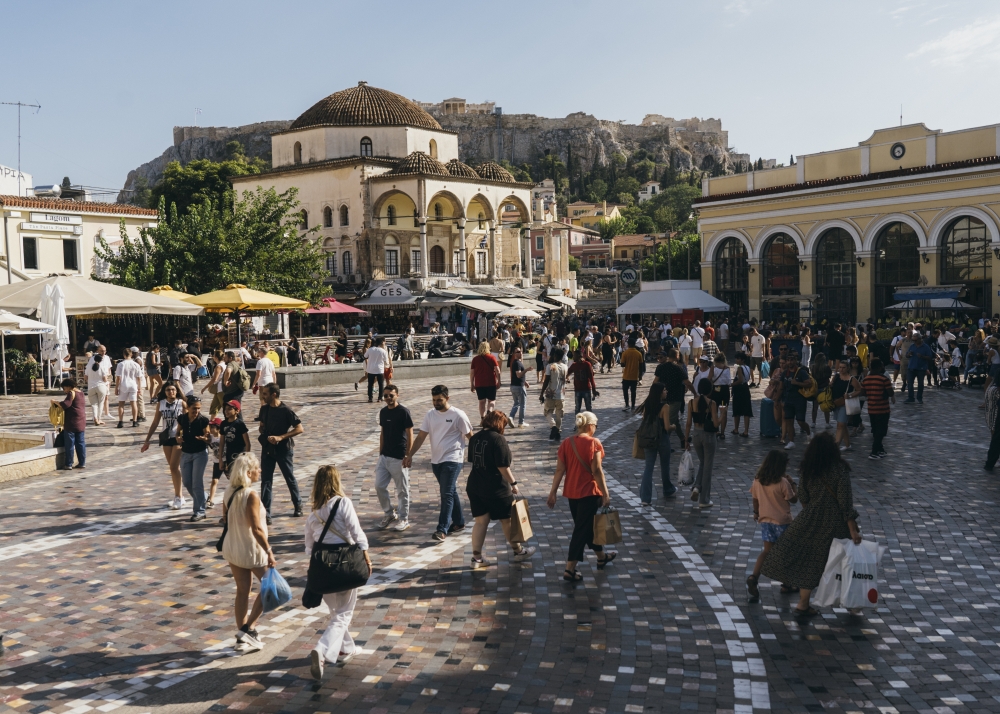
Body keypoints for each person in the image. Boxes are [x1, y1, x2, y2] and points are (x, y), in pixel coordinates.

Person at [759, 432, 863, 616]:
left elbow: (804, 499)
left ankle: (802, 604)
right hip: (835, 523)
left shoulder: (808, 469)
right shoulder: (840, 469)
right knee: (846, 561)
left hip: (810, 520)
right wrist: (853, 530)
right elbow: (845, 503)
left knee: (811, 563)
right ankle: (853, 602)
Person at [305, 465, 371, 680]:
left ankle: (346, 649)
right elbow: (356, 531)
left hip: (322, 568)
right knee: (344, 614)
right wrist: (366, 556)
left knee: (336, 612)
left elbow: (308, 546)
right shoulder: (344, 503)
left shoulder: (313, 513)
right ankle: (322, 649)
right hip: (344, 564)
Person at [546, 411, 615, 581]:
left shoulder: (566, 443)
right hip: (589, 493)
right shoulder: (594, 443)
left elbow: (560, 470)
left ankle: (601, 557)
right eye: (596, 426)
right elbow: (597, 471)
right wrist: (606, 493)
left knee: (585, 527)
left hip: (572, 493)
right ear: (590, 425)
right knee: (581, 530)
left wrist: (553, 492)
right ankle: (570, 568)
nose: (596, 429)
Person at [466, 410, 537, 569]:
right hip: (496, 488)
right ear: (499, 424)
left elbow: (473, 460)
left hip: (475, 485)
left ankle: (476, 559)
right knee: (507, 520)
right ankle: (518, 551)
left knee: (480, 522)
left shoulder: (475, 438)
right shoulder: (498, 439)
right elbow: (503, 466)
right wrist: (513, 483)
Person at [403, 385, 473, 542]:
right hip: (436, 461)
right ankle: (460, 522)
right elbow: (421, 437)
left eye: (439, 400)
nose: (436, 403)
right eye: (434, 400)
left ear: (447, 398)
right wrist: (410, 455)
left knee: (446, 493)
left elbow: (471, 438)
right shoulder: (430, 415)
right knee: (450, 491)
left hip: (453, 459)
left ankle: (442, 529)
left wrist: (479, 459)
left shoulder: (458, 415)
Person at [221, 452, 274, 652]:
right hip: (251, 549)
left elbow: (225, 518)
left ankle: (242, 637)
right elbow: (256, 528)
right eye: (257, 468)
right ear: (249, 472)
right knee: (269, 586)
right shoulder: (251, 495)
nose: (260, 471)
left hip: (233, 547)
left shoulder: (229, 491)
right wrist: (269, 550)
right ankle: (249, 628)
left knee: (242, 591)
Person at [745, 450, 798, 602]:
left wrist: (756, 512)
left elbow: (755, 499)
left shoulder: (758, 480)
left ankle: (754, 577)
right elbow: (794, 499)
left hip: (766, 521)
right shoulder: (783, 482)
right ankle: (786, 584)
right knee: (786, 553)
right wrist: (793, 483)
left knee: (767, 552)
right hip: (783, 522)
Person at [257, 384, 304, 523]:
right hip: (268, 449)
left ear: (274, 395)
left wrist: (280, 437)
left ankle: (298, 505)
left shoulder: (286, 410)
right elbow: (262, 426)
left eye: (265, 394)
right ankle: (266, 513)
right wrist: (263, 432)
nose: (263, 396)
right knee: (266, 481)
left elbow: (300, 428)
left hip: (284, 449)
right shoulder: (264, 409)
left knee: (289, 477)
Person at [141, 381, 186, 508]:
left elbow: (188, 420)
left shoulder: (181, 403)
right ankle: (179, 496)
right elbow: (155, 422)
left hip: (178, 438)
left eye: (173, 389)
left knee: (174, 467)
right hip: (166, 438)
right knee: (172, 469)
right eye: (168, 390)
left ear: (176, 391)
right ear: (164, 392)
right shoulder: (160, 404)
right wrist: (147, 439)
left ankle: (179, 496)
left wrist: (184, 436)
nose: (171, 392)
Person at [375, 384, 412, 531]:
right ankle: (389, 513)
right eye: (385, 396)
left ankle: (404, 518)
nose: (388, 398)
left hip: (399, 457)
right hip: (385, 456)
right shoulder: (383, 412)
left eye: (391, 395)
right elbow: (383, 432)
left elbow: (410, 434)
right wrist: (380, 452)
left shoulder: (403, 412)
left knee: (402, 490)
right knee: (379, 486)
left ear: (397, 395)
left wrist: (408, 455)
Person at [637, 383, 678, 505]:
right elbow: (667, 426)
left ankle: (645, 498)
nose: (666, 392)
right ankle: (667, 489)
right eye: (664, 390)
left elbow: (645, 421)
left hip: (649, 439)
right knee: (665, 465)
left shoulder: (647, 405)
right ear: (660, 392)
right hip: (662, 438)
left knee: (648, 467)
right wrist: (674, 427)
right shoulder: (665, 407)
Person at [684, 379, 721, 509]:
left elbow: (688, 423)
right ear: (710, 389)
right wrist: (724, 414)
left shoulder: (691, 403)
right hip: (708, 436)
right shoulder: (712, 403)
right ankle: (704, 499)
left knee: (703, 463)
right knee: (708, 466)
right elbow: (716, 424)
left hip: (696, 435)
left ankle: (697, 487)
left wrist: (686, 439)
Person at [176, 394, 211, 521]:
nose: (196, 411)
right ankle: (204, 496)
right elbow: (178, 432)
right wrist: (178, 438)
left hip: (200, 454)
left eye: (198, 408)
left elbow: (209, 438)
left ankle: (200, 511)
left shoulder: (203, 420)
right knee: (187, 482)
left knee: (196, 483)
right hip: (186, 453)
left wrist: (205, 438)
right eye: (194, 408)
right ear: (188, 408)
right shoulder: (182, 418)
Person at [652, 348, 695, 449]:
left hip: (663, 396)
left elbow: (655, 382)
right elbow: (687, 382)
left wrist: (654, 394)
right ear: (677, 356)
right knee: (670, 422)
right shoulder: (678, 368)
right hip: (676, 397)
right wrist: (695, 393)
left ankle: (682, 439)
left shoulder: (660, 367)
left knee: (674, 420)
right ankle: (663, 444)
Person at [862, 358, 894, 459]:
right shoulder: (884, 379)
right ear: (880, 367)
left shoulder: (866, 379)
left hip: (871, 408)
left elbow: (863, 393)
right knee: (881, 431)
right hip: (882, 408)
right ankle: (874, 451)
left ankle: (880, 449)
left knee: (875, 429)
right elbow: (890, 393)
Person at [52, 378, 86, 470]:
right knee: (80, 443)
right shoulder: (81, 393)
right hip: (81, 421)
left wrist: (56, 402)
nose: (64, 390)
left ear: (68, 387)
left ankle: (69, 464)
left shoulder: (71, 393)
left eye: (64, 388)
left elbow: (66, 404)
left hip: (71, 422)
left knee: (70, 444)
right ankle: (82, 463)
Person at [780, 351, 812, 450]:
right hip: (788, 400)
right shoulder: (785, 373)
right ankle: (791, 441)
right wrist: (778, 399)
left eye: (792, 360)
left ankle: (809, 432)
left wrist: (797, 383)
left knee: (800, 421)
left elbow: (809, 383)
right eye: (788, 360)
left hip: (799, 400)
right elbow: (781, 387)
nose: (790, 362)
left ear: (795, 361)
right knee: (789, 420)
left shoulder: (801, 372)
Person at [830, 359, 860, 451]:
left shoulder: (852, 379)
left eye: (843, 368)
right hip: (836, 403)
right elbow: (831, 386)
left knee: (840, 425)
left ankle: (836, 446)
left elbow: (860, 390)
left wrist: (850, 395)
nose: (841, 369)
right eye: (840, 367)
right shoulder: (836, 377)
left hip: (845, 404)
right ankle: (847, 445)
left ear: (848, 368)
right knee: (842, 425)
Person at [539, 347, 568, 440]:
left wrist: (541, 393)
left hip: (551, 394)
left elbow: (546, 380)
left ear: (555, 356)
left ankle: (553, 426)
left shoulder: (550, 366)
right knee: (559, 414)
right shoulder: (565, 366)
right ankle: (558, 431)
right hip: (561, 394)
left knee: (548, 411)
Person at [470, 341, 501, 419]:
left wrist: (472, 384)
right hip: (491, 382)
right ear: (488, 348)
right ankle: (489, 411)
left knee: (481, 402)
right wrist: (499, 381)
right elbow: (497, 371)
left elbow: (472, 373)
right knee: (491, 400)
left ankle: (482, 418)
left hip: (479, 383)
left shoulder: (475, 359)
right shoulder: (492, 357)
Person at [220, 399, 251, 475]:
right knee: (232, 477)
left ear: (237, 411)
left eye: (230, 409)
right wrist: (220, 459)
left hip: (240, 454)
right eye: (225, 409)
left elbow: (247, 443)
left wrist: (246, 457)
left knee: (240, 476)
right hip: (229, 454)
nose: (226, 411)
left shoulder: (240, 424)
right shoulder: (223, 424)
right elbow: (222, 442)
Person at [115, 347, 143, 429]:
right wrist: (139, 388)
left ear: (124, 355)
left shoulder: (120, 364)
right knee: (134, 403)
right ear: (131, 354)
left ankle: (120, 421)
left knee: (121, 404)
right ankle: (135, 421)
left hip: (123, 384)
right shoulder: (136, 364)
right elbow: (139, 378)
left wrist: (116, 387)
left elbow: (118, 378)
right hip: (133, 385)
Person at [904, 333, 935, 404]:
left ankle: (919, 397)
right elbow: (907, 355)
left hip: (921, 368)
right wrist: (909, 354)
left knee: (920, 384)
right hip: (911, 367)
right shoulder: (912, 346)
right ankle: (910, 397)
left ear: (920, 339)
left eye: (915, 340)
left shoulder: (926, 347)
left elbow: (929, 357)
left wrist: (922, 356)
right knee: (910, 383)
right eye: (913, 340)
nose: (914, 341)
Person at [730, 352, 753, 437]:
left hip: (739, 389)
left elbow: (739, 380)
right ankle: (746, 430)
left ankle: (736, 429)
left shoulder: (739, 368)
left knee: (737, 409)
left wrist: (731, 384)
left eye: (738, 358)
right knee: (746, 410)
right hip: (746, 388)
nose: (736, 360)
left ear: (742, 360)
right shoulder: (747, 367)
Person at [567, 349, 598, 414]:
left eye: (574, 355)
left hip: (586, 389)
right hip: (578, 390)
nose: (573, 357)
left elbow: (591, 377)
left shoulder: (587, 364)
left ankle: (590, 423)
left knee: (588, 408)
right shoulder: (574, 365)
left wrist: (594, 389)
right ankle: (577, 423)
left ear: (578, 356)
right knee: (577, 408)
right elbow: (567, 373)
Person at [85, 352, 111, 426]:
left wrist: (90, 381)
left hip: (91, 387)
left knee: (94, 404)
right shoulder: (102, 367)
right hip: (101, 386)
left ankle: (95, 417)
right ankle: (99, 419)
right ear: (101, 360)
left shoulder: (88, 367)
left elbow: (85, 377)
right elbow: (105, 379)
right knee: (101, 403)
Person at [710, 354, 732, 439]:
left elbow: (709, 378)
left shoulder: (713, 368)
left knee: (714, 411)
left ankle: (716, 430)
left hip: (716, 391)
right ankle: (722, 433)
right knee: (723, 412)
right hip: (724, 392)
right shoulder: (727, 368)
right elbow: (728, 381)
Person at [508, 346, 530, 428]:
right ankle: (521, 422)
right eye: (517, 352)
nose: (520, 353)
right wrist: (527, 369)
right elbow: (518, 375)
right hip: (518, 387)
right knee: (522, 404)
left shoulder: (516, 362)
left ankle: (511, 417)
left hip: (514, 386)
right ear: (514, 354)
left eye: (520, 351)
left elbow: (518, 375)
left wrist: (524, 381)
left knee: (516, 403)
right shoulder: (517, 363)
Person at [363, 336, 390, 403]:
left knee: (370, 384)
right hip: (379, 369)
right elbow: (386, 361)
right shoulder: (383, 351)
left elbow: (365, 356)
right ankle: (380, 398)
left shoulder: (370, 349)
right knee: (381, 384)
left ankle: (370, 398)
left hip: (371, 369)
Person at [203, 349, 227, 418]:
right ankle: (212, 422)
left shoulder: (219, 366)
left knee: (226, 407)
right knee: (214, 407)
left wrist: (205, 387)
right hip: (219, 389)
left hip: (220, 388)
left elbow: (214, 379)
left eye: (213, 356)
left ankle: (230, 422)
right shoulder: (225, 364)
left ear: (216, 357)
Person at [620, 341, 643, 411]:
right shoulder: (638, 353)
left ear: (629, 345)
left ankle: (627, 404)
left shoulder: (625, 353)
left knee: (625, 390)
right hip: (634, 375)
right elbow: (641, 365)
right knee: (633, 391)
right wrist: (640, 376)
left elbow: (622, 364)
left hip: (626, 375)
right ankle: (633, 405)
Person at [206, 418, 224, 509]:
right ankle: (211, 499)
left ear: (218, 428)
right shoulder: (210, 437)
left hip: (226, 461)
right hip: (216, 462)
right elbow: (206, 440)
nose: (210, 429)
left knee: (233, 480)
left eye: (212, 427)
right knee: (214, 480)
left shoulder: (223, 437)